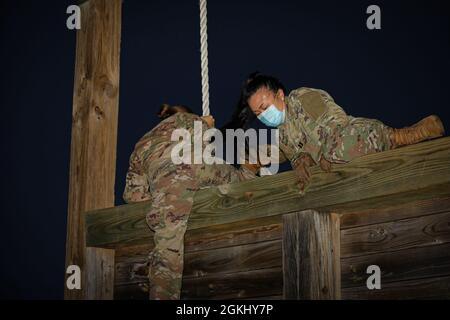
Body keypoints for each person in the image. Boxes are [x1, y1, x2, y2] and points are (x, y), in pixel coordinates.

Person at [123, 104, 259, 300]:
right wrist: (206, 124)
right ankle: (249, 168)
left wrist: (163, 195)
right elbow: (202, 151)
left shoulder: (141, 143)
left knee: (168, 242)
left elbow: (133, 196)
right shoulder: (190, 120)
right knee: (238, 180)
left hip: (163, 177)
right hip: (196, 166)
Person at [236, 72, 445, 191]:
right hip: (333, 165)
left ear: (280, 95)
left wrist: (322, 153)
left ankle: (402, 135)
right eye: (258, 113)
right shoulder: (281, 133)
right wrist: (302, 159)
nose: (263, 115)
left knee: (338, 149)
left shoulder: (302, 98)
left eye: (265, 106)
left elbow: (337, 120)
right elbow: (292, 152)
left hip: (352, 138)